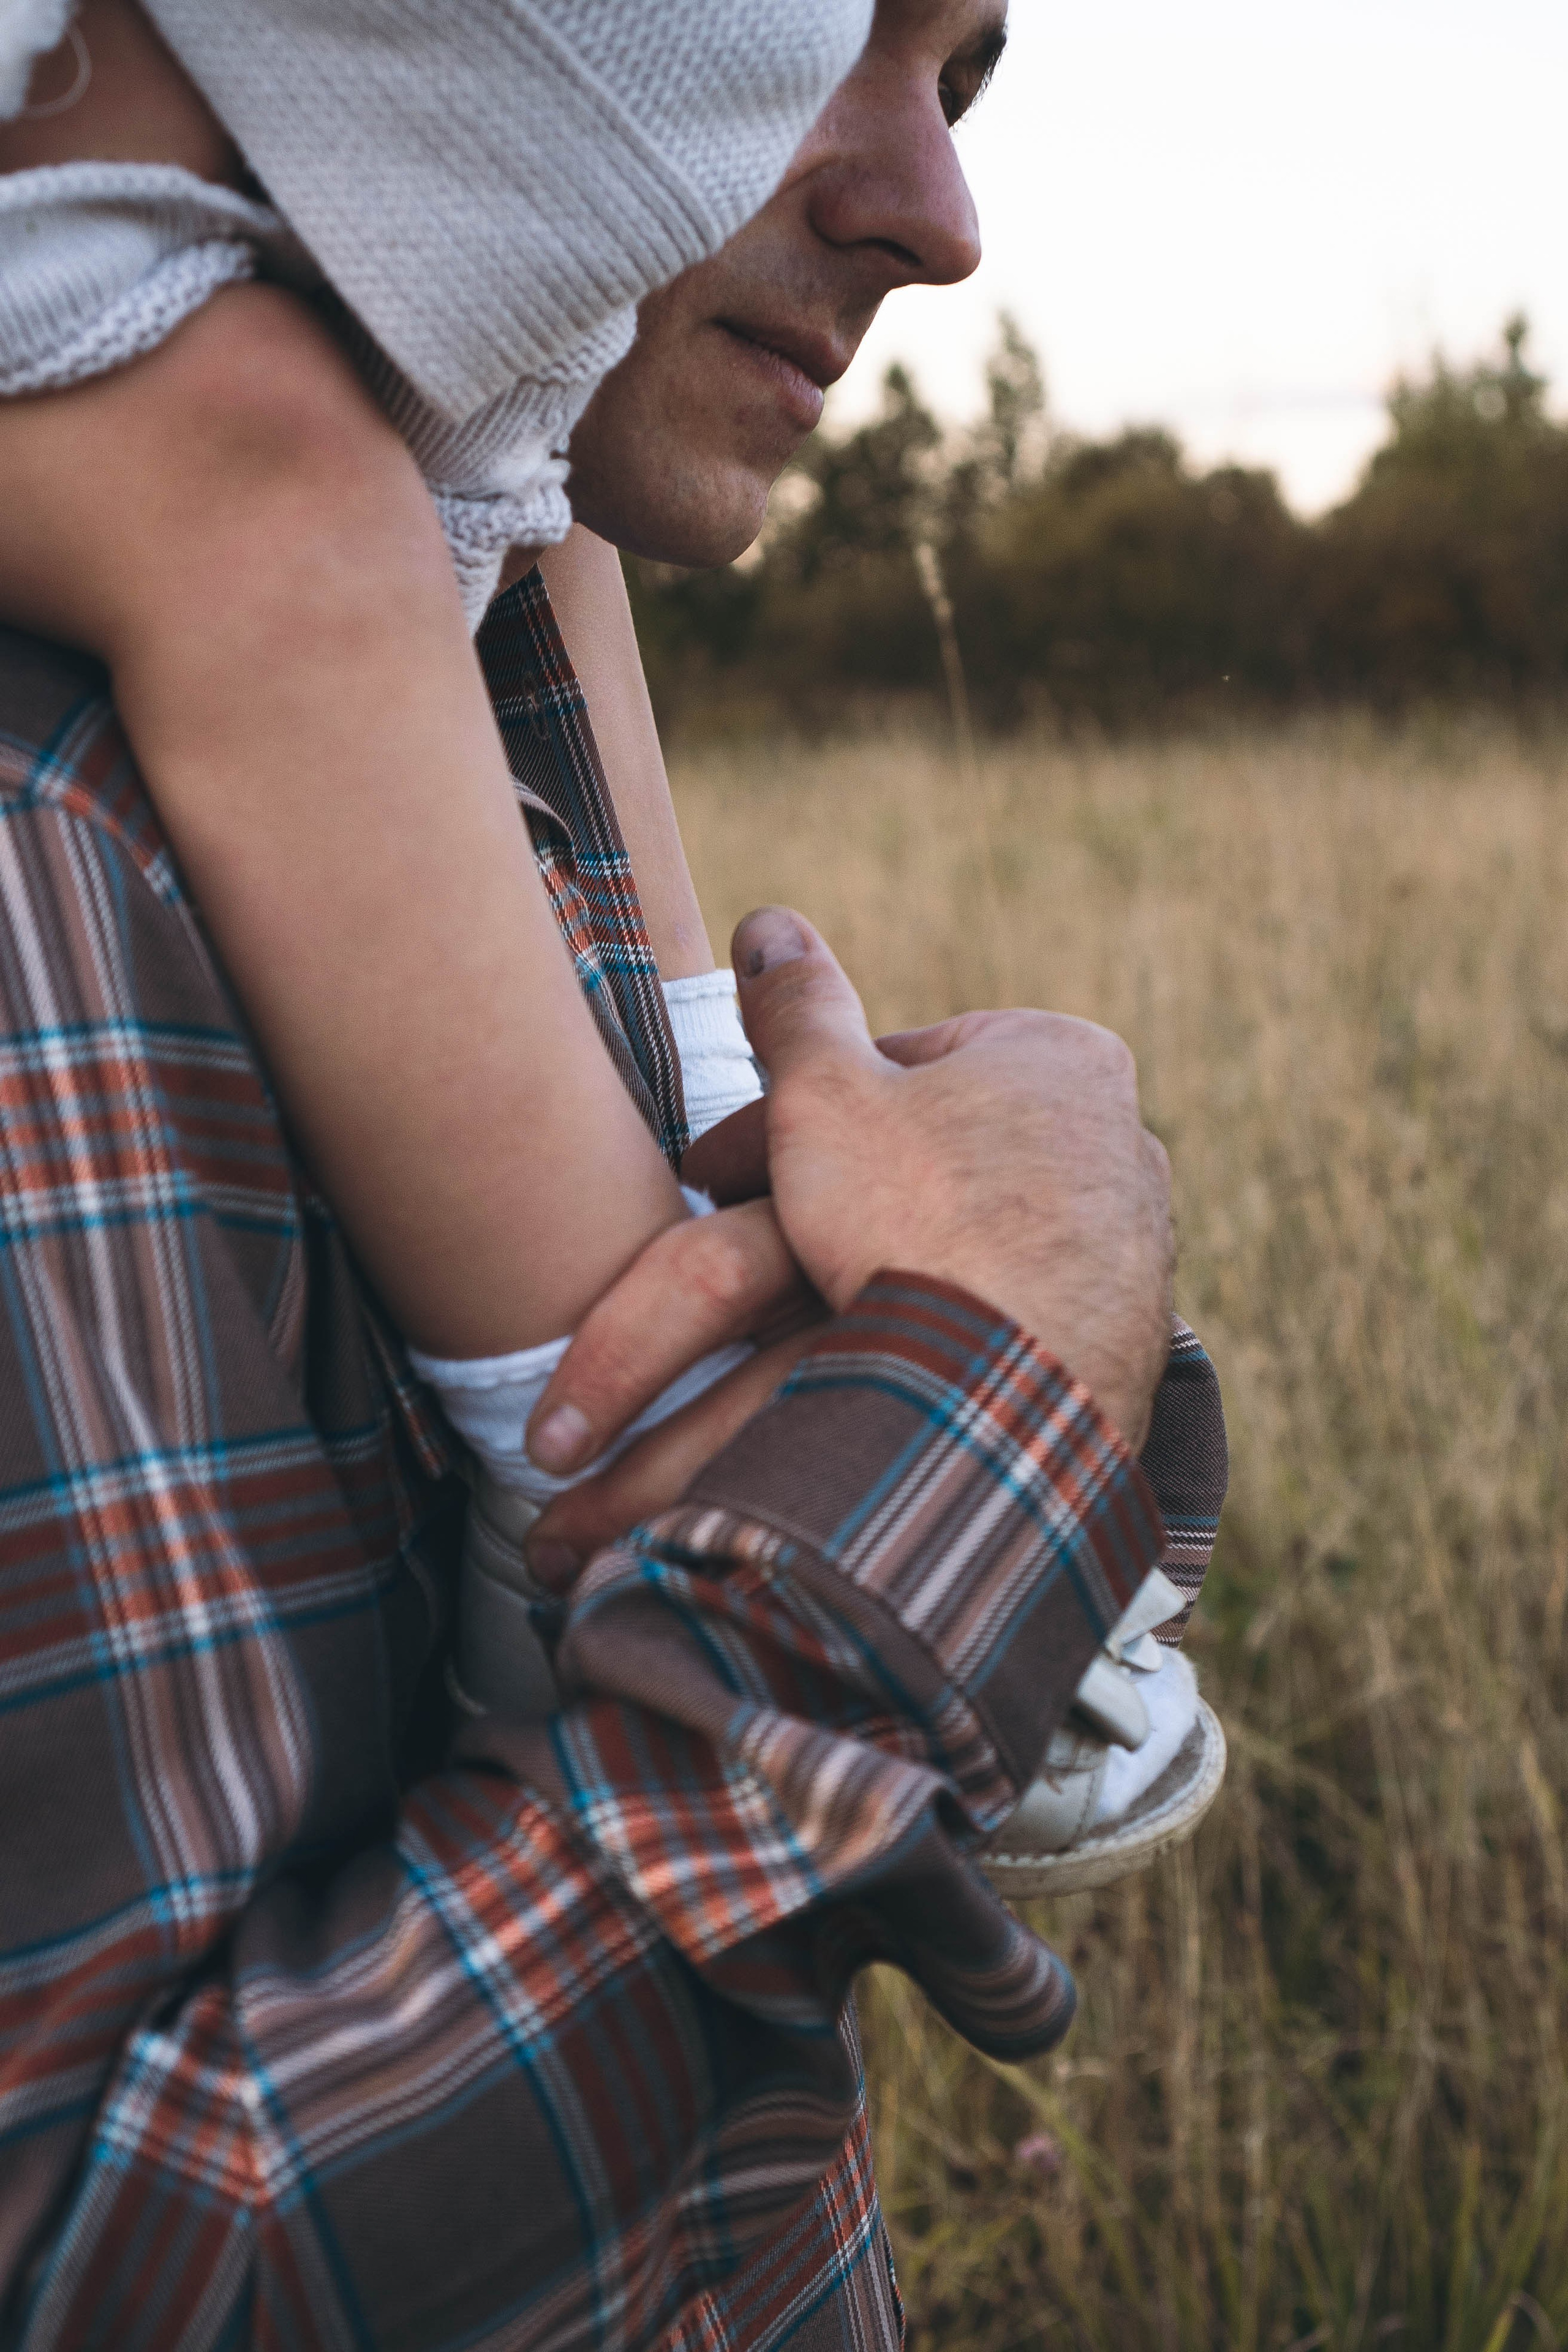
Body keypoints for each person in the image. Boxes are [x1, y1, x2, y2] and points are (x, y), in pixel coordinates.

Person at [0, 8, 1227, 2351]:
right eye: (804, 21)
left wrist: (983, 1372)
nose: (940, 218)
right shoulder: (53, 841)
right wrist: (953, 1447)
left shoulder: (471, 619)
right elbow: (127, 2276)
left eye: (960, 84)